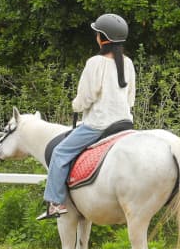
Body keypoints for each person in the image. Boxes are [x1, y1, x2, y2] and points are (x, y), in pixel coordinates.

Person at [39, 13, 136, 220]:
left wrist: (76, 105)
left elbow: (87, 97)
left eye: (97, 34)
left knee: (60, 152)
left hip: (99, 124)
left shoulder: (95, 62)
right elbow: (131, 98)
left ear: (102, 37)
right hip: (125, 123)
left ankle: (55, 202)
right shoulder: (127, 62)